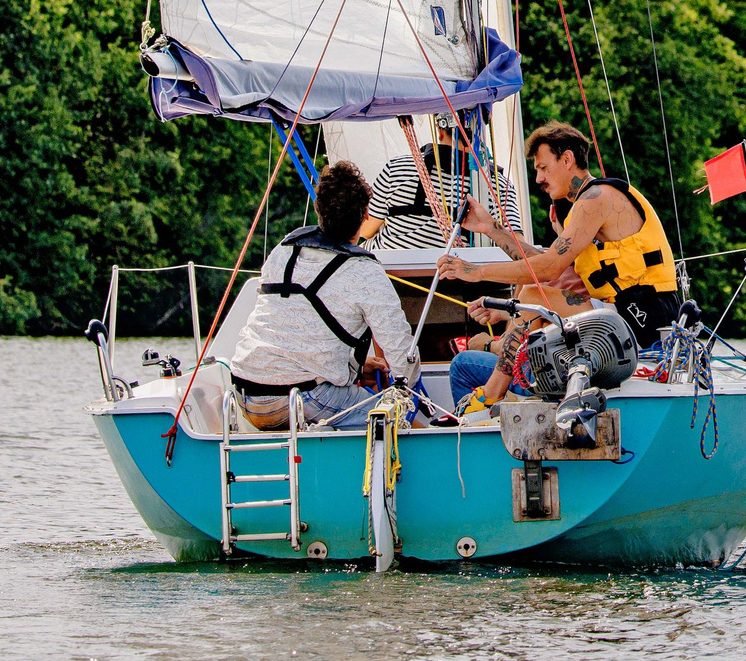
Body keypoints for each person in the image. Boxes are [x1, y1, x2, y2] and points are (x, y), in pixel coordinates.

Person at [435, 122, 683, 345]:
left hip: (645, 316)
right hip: (626, 313)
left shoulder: (596, 198)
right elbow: (545, 264)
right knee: (536, 302)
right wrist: (491, 228)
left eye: (543, 168)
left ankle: (494, 370)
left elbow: (548, 267)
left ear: (567, 160)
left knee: (534, 295)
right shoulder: (584, 205)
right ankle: (505, 377)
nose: (538, 178)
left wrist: (476, 272)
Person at [226, 160, 419, 429]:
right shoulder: (365, 271)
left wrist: (357, 366)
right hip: (300, 397)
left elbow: (297, 332)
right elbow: (401, 352)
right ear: (365, 217)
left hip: (244, 394)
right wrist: (409, 392)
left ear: (319, 210)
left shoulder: (283, 251)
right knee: (396, 423)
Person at [367, 120, 521, 251]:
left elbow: (364, 230)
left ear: (440, 131)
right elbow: (519, 245)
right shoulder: (499, 185)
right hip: (464, 282)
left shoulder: (396, 168)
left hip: (390, 278)